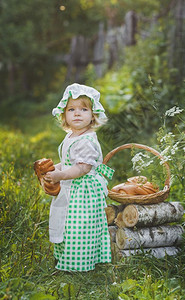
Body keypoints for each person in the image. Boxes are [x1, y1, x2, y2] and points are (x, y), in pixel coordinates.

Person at [44, 83, 114, 272]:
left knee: (80, 226)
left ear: (92, 115)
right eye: (71, 109)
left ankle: (79, 261)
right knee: (65, 223)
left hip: (83, 190)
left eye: (84, 109)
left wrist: (61, 175)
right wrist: (54, 169)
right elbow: (68, 162)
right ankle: (65, 256)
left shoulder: (87, 139)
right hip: (71, 187)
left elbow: (82, 168)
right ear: (64, 114)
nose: (77, 113)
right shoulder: (72, 136)